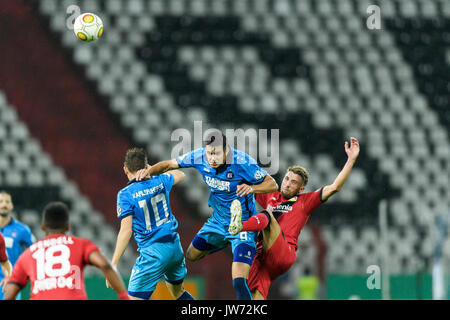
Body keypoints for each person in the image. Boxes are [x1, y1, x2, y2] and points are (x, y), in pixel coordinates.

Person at [135, 130, 279, 300]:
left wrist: (252, 188)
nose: (212, 158)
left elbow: (273, 184)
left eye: (216, 154)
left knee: (239, 282)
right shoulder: (199, 157)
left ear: (226, 151)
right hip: (217, 222)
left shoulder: (242, 162)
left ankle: (241, 247)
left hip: (242, 224)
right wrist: (149, 171)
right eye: (209, 153)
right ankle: (225, 241)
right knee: (191, 255)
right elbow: (169, 164)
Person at [228, 137, 360, 299]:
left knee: (268, 216)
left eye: (293, 182)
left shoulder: (304, 202)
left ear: (301, 188)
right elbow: (243, 179)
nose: (288, 184)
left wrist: (351, 160)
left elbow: (335, 187)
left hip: (284, 253)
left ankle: (239, 226)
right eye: (287, 179)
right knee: (248, 294)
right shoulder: (270, 195)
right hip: (263, 259)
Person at [110, 147, 195, 300]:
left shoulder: (125, 194)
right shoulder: (160, 180)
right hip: (174, 248)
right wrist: (154, 170)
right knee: (178, 292)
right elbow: (181, 174)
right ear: (146, 166)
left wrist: (113, 263)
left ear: (125, 169)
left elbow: (126, 230)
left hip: (153, 253)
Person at [3, 202, 129, 300]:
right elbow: (105, 265)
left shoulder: (28, 254)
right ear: (68, 226)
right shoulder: (80, 244)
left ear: (43, 227)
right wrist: (124, 296)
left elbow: (10, 293)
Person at [0, 191, 35, 300]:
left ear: (12, 205)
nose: (4, 204)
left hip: (10, 281)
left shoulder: (23, 230)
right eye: (1, 201)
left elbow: (35, 251)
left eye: (7, 202)